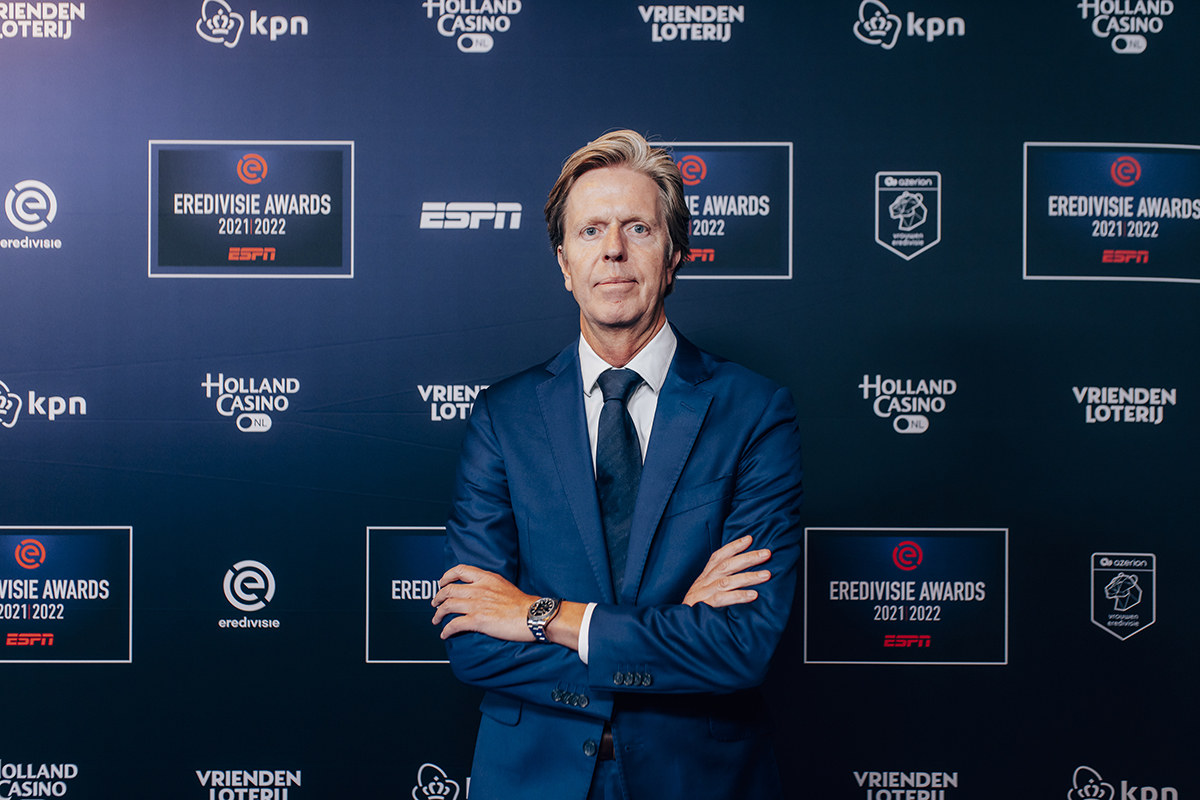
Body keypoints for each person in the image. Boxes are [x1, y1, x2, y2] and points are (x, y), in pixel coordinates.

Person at [431, 130, 803, 799]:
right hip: (534, 779)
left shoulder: (753, 411)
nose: (613, 250)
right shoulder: (502, 417)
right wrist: (674, 629)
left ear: (675, 253)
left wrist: (540, 615)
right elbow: (475, 639)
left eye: (638, 227)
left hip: (699, 780)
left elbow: (740, 645)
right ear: (564, 262)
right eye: (590, 230)